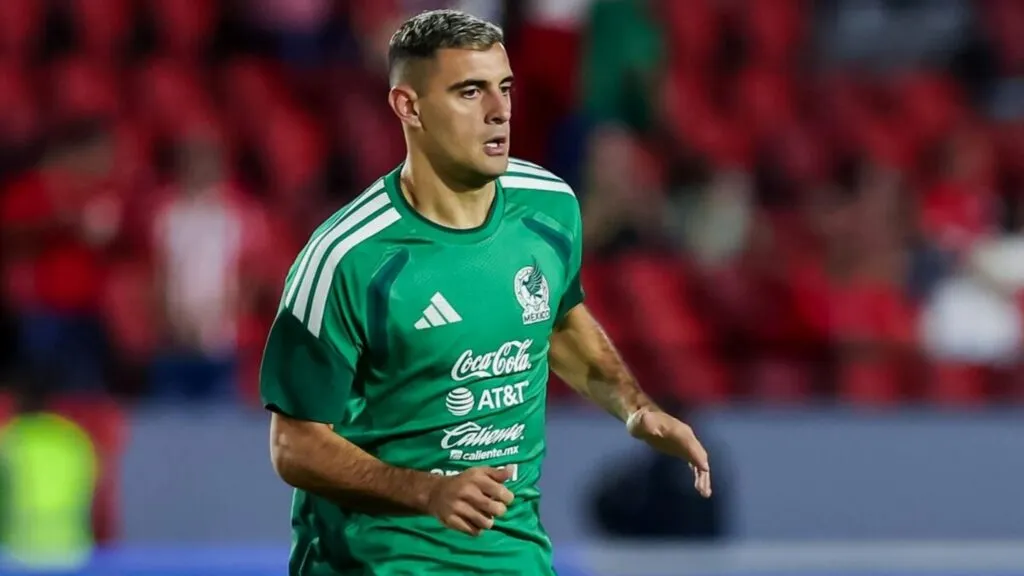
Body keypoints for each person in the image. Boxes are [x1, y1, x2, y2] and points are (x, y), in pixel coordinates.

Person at [259, 9, 712, 575]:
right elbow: (294, 445)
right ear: (409, 107)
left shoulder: (549, 207)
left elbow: (558, 319)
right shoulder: (347, 258)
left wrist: (635, 408)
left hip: (514, 560)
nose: (499, 111)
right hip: (382, 564)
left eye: (505, 88)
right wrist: (428, 492)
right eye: (470, 92)